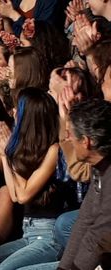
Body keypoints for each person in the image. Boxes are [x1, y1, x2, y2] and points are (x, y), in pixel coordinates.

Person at [0, 88, 65, 269]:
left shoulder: (54, 150)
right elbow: (14, 196)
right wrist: (5, 156)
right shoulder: (28, 150)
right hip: (28, 233)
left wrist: (9, 154)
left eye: (17, 109)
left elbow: (23, 195)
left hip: (49, 236)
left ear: (28, 117)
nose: (13, 113)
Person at [58, 98, 111, 270]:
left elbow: (100, 231)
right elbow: (85, 219)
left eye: (71, 135)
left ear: (87, 141)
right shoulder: (99, 165)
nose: (67, 139)